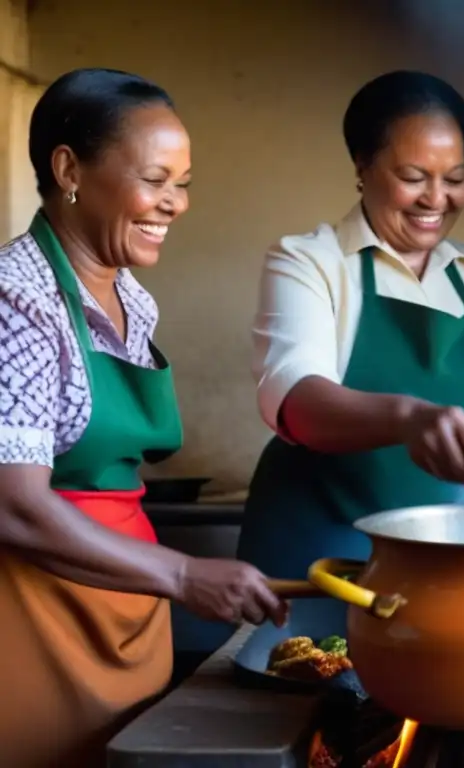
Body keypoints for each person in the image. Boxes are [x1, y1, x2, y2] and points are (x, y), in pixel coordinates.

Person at [0, 68, 287, 767]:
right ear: (69, 169)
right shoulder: (17, 302)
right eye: (156, 179)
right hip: (35, 617)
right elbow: (12, 506)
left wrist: (166, 578)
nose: (175, 204)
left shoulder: (132, 297)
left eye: (182, 183)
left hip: (125, 606)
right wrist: (185, 577)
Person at [237, 71, 464, 577]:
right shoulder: (309, 261)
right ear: (362, 166)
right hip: (321, 557)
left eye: (453, 178)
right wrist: (410, 418)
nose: (436, 199)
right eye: (413, 177)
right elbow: (296, 397)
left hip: (447, 556)